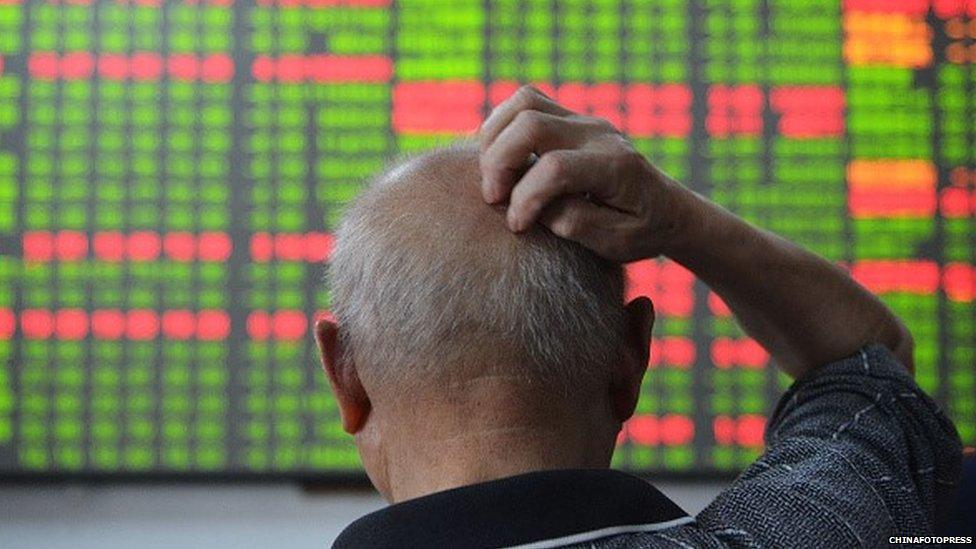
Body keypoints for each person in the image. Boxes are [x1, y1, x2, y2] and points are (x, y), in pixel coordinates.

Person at [316, 87, 962, 548]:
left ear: (345, 375)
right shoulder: (804, 529)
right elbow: (867, 368)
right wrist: (679, 218)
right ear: (632, 358)